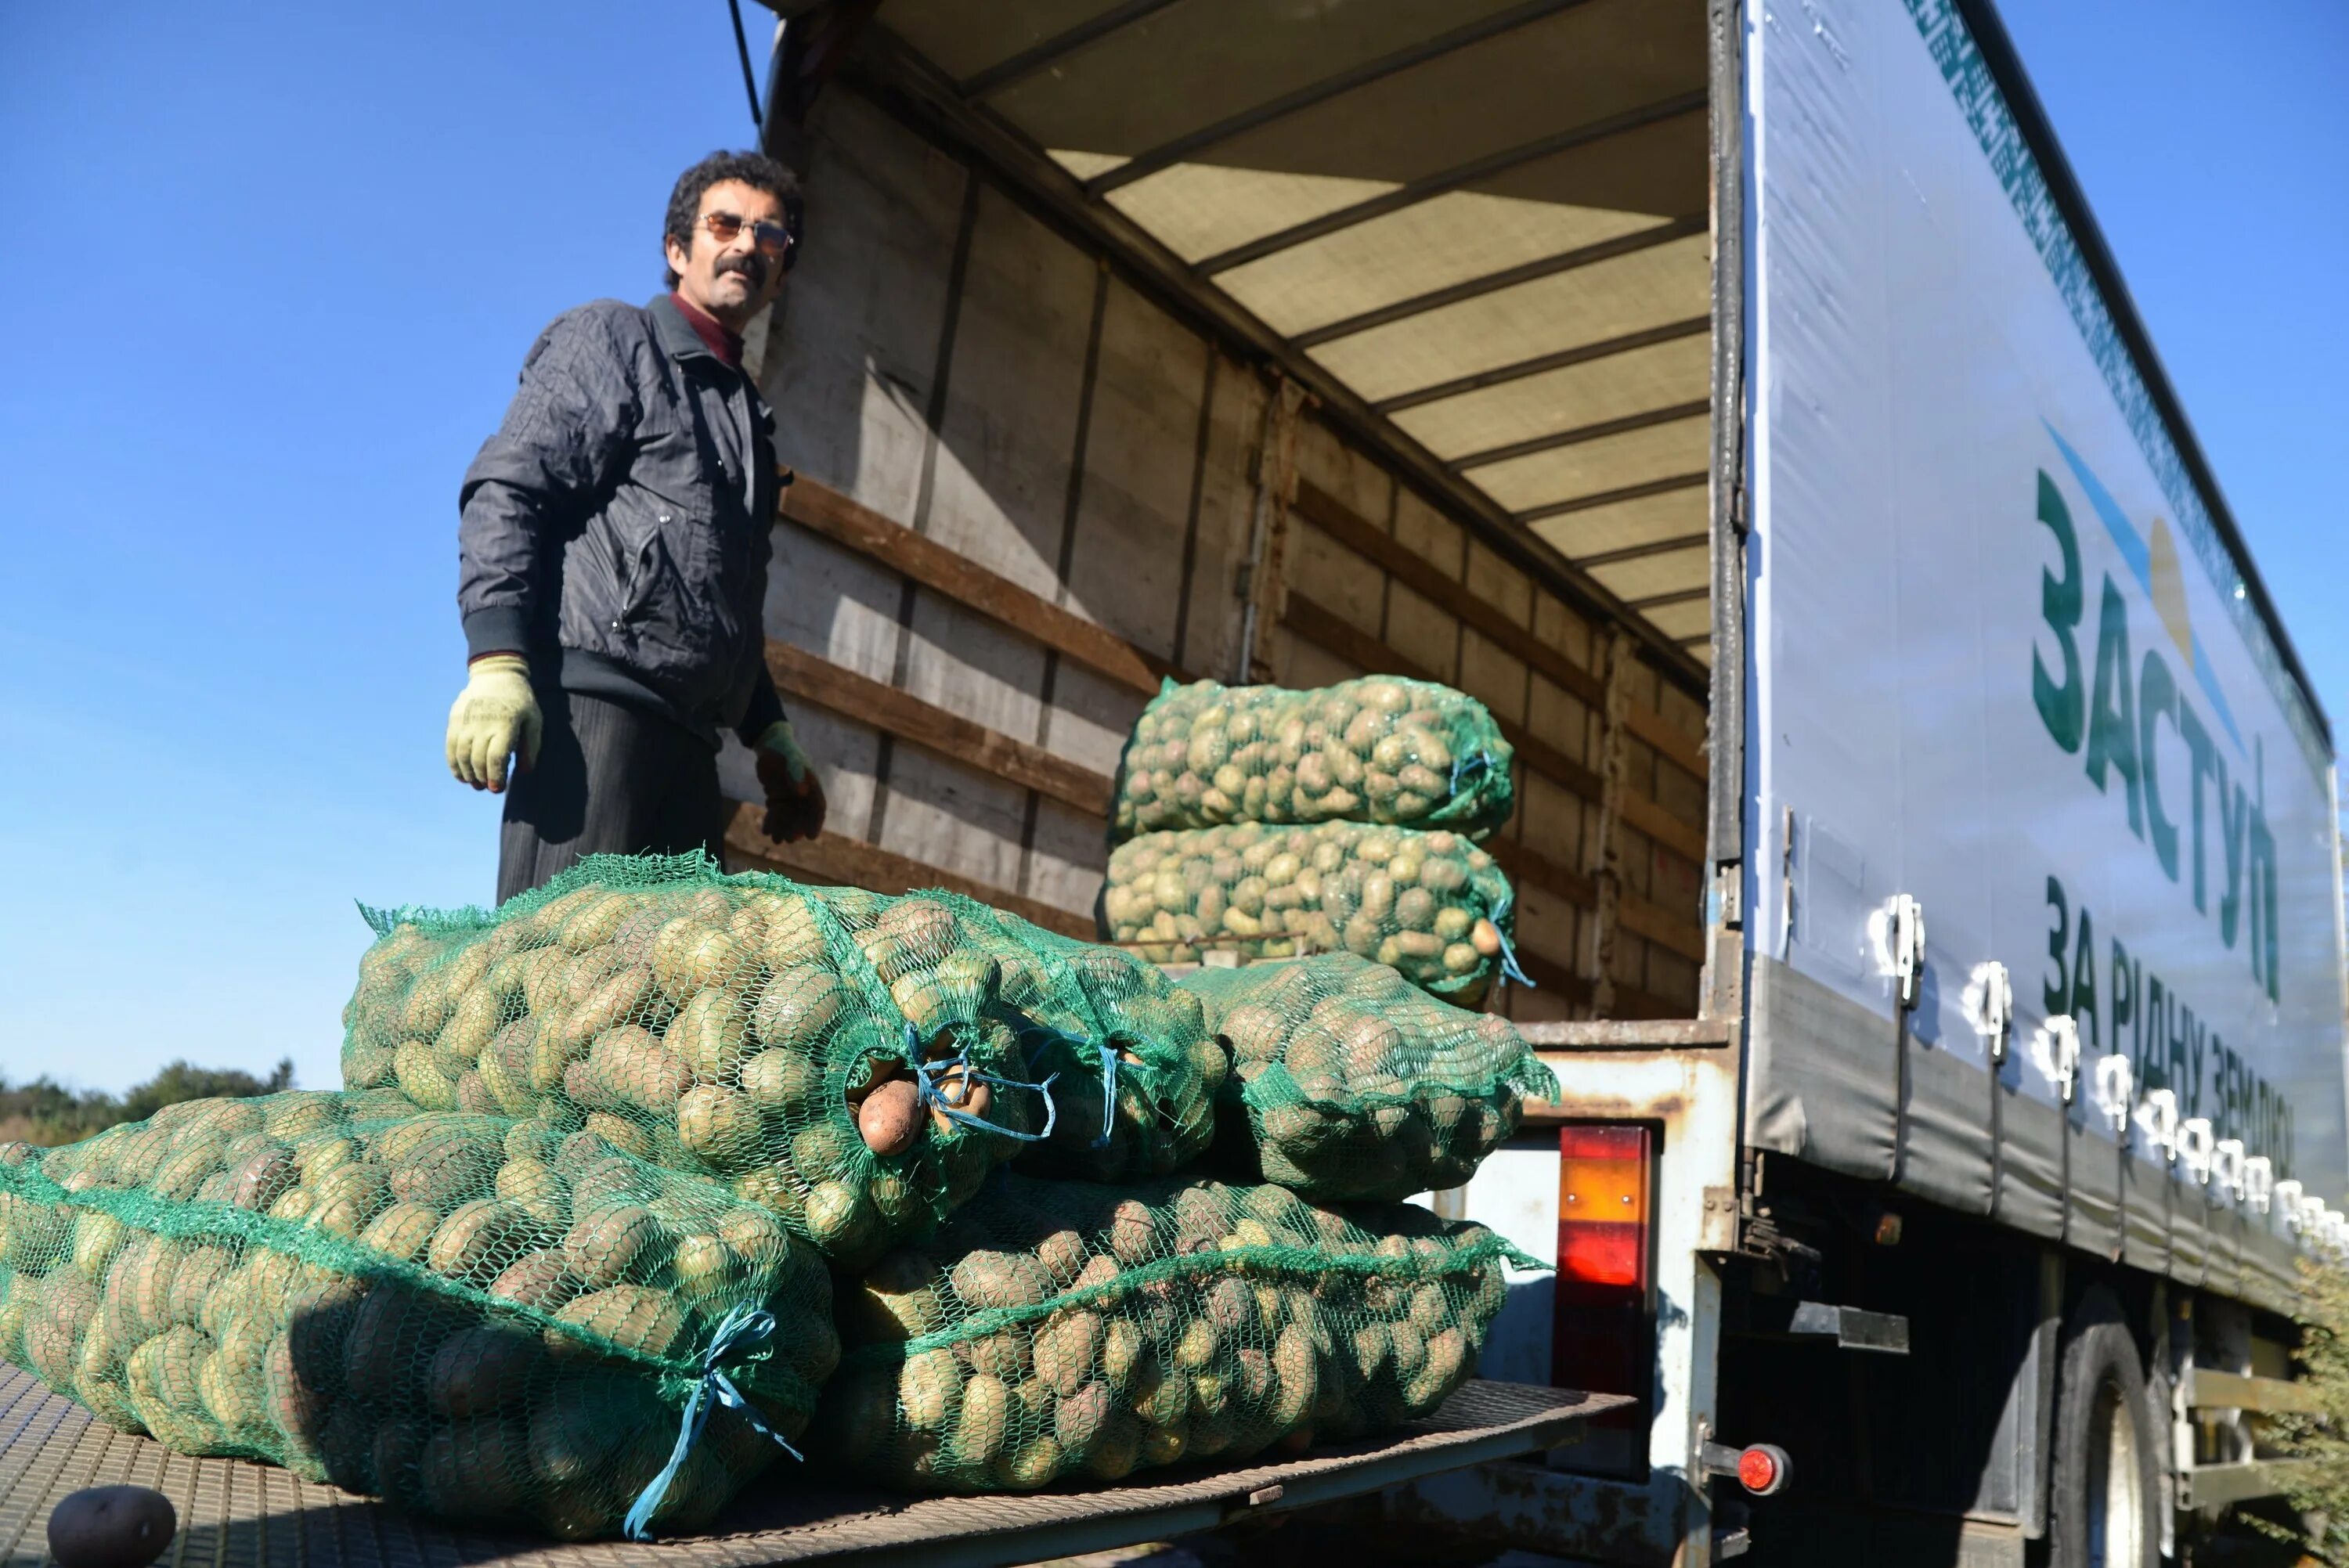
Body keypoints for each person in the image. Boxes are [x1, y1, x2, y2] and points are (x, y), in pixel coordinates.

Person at [446, 150, 826, 903]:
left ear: (782, 271)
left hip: (691, 751)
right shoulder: (614, 341)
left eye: (771, 236)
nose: (749, 244)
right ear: (678, 249)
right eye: (726, 224)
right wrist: (494, 660)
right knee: (557, 987)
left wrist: (768, 731)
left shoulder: (750, 423)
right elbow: (509, 488)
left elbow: (725, 605)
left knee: (656, 1008)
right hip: (595, 723)